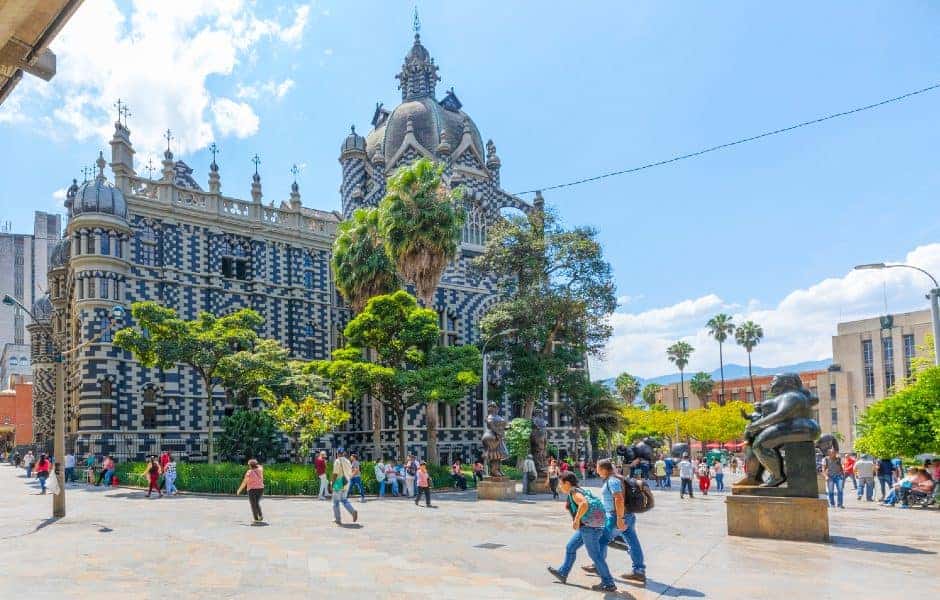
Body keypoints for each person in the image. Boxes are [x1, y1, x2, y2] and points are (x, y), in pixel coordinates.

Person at [546, 472, 617, 593]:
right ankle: (563, 573)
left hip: (589, 529)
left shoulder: (575, 493)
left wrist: (577, 520)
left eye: (561, 484)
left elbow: (584, 504)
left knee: (595, 555)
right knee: (571, 547)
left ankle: (609, 583)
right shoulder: (579, 490)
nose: (560, 487)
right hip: (589, 527)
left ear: (567, 483)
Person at [592, 459, 646, 585]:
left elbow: (619, 499)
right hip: (627, 515)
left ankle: (599, 567)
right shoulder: (616, 478)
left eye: (598, 468)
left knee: (601, 540)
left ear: (604, 469)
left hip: (616, 516)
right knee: (632, 542)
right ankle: (639, 571)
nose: (597, 471)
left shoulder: (612, 480)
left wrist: (620, 519)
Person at [330, 448, 358, 524]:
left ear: (338, 453)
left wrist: (332, 483)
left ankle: (337, 519)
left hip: (339, 482)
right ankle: (352, 511)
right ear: (344, 453)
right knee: (344, 500)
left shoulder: (337, 461)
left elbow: (335, 474)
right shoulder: (348, 461)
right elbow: (355, 470)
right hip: (346, 482)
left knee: (335, 502)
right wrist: (350, 477)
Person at [236, 459, 265, 523]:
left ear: (250, 465)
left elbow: (244, 482)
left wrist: (239, 490)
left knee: (253, 504)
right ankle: (260, 515)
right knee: (256, 503)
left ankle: (256, 518)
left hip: (252, 490)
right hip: (260, 489)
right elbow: (260, 465)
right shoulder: (260, 469)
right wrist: (255, 463)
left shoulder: (249, 472)